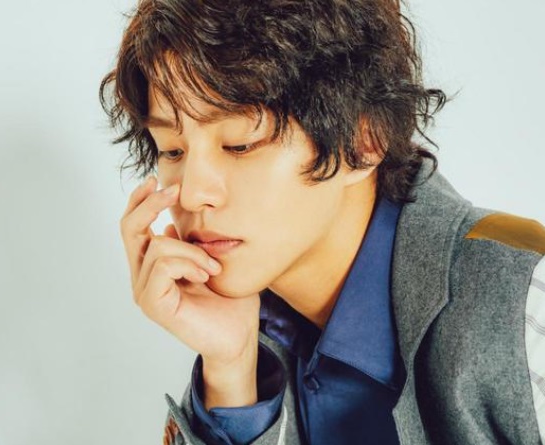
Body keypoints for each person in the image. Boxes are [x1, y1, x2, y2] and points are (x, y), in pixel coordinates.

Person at [99, 0, 545, 444]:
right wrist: (231, 371)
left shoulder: (523, 304)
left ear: (364, 141)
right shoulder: (249, 329)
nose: (193, 193)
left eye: (239, 144)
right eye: (172, 150)